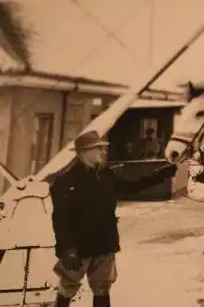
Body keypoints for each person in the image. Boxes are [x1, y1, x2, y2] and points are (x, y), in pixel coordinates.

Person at [49, 130, 177, 307]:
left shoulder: (106, 175)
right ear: (84, 152)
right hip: (78, 248)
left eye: (102, 148)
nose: (102, 152)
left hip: (104, 244)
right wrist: (67, 248)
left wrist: (162, 173)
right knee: (67, 289)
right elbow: (60, 219)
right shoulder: (65, 181)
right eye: (98, 148)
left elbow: (133, 187)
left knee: (102, 289)